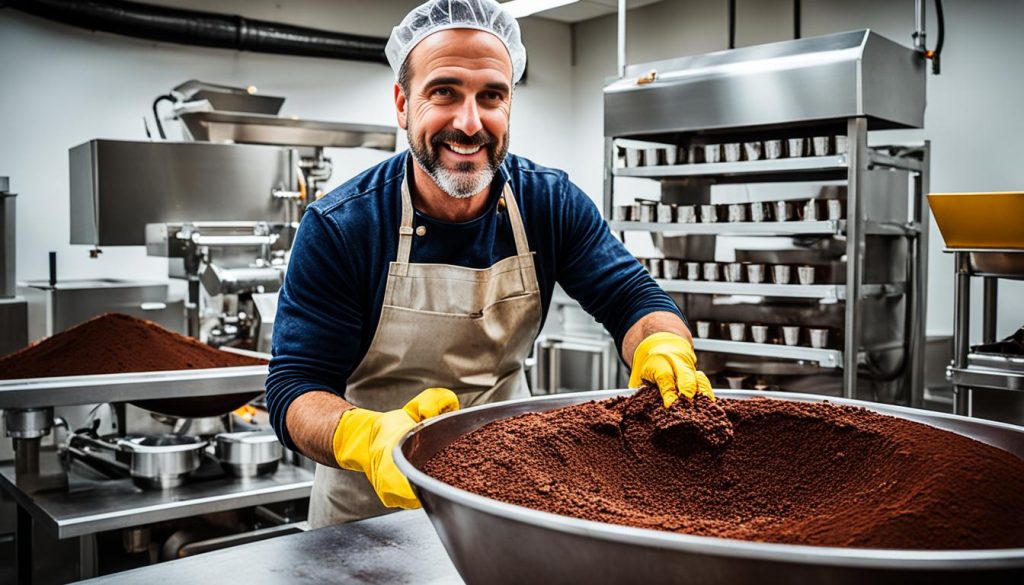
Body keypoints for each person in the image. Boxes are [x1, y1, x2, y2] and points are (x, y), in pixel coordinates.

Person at [266, 0, 713, 529]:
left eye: (491, 96)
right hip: (370, 509)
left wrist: (663, 344)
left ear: (510, 105)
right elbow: (296, 386)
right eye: (444, 92)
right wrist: (365, 439)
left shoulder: (549, 202)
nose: (469, 122)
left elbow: (633, 299)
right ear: (402, 104)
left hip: (507, 492)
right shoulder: (345, 225)